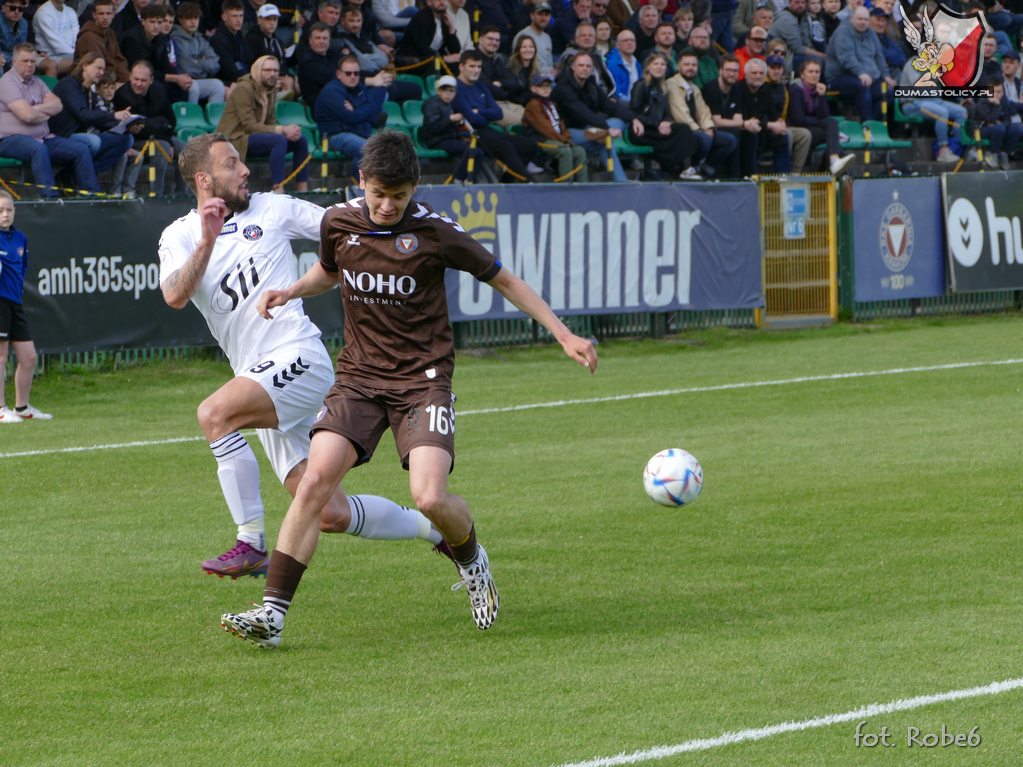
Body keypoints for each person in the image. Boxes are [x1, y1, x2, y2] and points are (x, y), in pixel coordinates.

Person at [220, 129, 598, 648]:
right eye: (378, 194)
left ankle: (471, 557)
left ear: (415, 188)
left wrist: (563, 333)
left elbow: (504, 280)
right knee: (314, 484)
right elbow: (330, 272)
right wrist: (291, 291)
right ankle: (273, 614)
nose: (386, 206)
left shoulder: (436, 232)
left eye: (398, 196)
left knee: (429, 497)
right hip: (358, 377)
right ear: (361, 182)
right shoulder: (339, 222)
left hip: (422, 382)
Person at [159, 133, 451, 580]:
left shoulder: (273, 209)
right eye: (232, 164)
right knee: (330, 513)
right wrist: (207, 239)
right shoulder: (179, 235)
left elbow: (352, 225)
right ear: (203, 179)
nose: (245, 170)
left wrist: (398, 220)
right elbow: (175, 294)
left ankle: (251, 540)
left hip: (296, 356)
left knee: (215, 414)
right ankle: (434, 529)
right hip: (258, 379)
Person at [0, 43, 100, 198]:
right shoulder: (7, 84)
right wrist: (42, 109)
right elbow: (27, 116)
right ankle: (50, 198)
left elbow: (58, 105)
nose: (29, 65)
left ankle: (92, 196)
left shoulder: (38, 82)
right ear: (14, 62)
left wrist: (35, 109)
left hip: (43, 138)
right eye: (25, 61)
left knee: (81, 150)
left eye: (33, 61)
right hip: (10, 140)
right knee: (38, 150)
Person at [219, 55, 309, 193]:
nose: (272, 74)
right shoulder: (244, 89)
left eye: (275, 70)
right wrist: (283, 130)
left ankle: (303, 190)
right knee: (278, 139)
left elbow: (271, 122)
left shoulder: (270, 90)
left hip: (256, 137)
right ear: (257, 70)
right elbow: (249, 126)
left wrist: (288, 132)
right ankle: (278, 188)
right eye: (267, 70)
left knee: (300, 140)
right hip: (237, 138)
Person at [0, 189, 50, 423]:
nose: (5, 214)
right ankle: (1, 409)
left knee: (28, 357)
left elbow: (23, 266)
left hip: (14, 302)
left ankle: (22, 407)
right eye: (0, 210)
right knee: (0, 357)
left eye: (9, 210)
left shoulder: (20, 238)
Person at [453, 49, 538, 181]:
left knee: (530, 146)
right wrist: (484, 114)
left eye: (479, 67)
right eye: (472, 66)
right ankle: (529, 181)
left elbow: (498, 113)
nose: (476, 70)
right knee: (504, 145)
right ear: (461, 66)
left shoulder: (480, 87)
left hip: (487, 130)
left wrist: (480, 111)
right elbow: (473, 120)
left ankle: (507, 183)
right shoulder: (456, 88)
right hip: (469, 134)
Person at [49, 53, 133, 181]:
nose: (101, 72)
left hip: (82, 137)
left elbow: (100, 120)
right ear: (85, 66)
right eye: (98, 68)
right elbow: (83, 115)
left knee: (127, 139)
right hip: (61, 136)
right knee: (94, 142)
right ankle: (76, 177)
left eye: (103, 69)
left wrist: (127, 125)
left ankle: (70, 173)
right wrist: (114, 115)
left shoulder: (90, 92)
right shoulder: (68, 84)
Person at [551, 51, 629, 181]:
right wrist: (607, 129)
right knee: (604, 138)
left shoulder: (591, 84)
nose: (585, 68)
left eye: (588, 66)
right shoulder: (563, 87)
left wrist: (634, 119)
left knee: (622, 122)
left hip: (591, 130)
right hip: (569, 132)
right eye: (581, 65)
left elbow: (608, 105)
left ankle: (620, 182)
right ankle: (622, 183)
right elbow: (583, 113)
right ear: (573, 67)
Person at [112, 60, 186, 196]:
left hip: (161, 136)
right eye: (136, 79)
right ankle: (156, 194)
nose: (138, 84)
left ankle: (182, 193)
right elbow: (141, 130)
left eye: (143, 80)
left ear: (151, 80)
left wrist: (158, 128)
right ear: (129, 77)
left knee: (187, 150)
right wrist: (160, 126)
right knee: (161, 146)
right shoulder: (123, 95)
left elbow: (171, 121)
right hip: (136, 140)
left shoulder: (158, 90)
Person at [667, 47, 739, 178]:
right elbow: (680, 114)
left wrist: (709, 128)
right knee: (704, 140)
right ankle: (689, 168)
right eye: (687, 64)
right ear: (678, 66)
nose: (691, 68)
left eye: (694, 65)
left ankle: (706, 171)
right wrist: (700, 130)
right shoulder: (672, 84)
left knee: (730, 140)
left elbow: (704, 111)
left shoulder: (694, 87)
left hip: (698, 131)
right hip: (681, 132)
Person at [313, 54, 385, 174]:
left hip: (360, 133)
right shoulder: (331, 92)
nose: (353, 77)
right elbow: (349, 118)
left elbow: (373, 115)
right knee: (367, 149)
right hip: (335, 136)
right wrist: (362, 110)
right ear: (338, 74)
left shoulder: (361, 88)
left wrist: (355, 108)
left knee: (390, 148)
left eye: (356, 73)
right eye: (348, 73)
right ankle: (359, 186)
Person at [629, 50, 695, 176]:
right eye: (656, 64)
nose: (659, 67)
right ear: (648, 66)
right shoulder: (641, 85)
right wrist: (656, 124)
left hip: (656, 127)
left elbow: (666, 112)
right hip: (642, 129)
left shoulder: (663, 87)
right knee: (674, 137)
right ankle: (673, 168)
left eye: (662, 64)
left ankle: (687, 169)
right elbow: (634, 112)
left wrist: (666, 122)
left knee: (684, 129)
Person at [420, 73, 495, 182]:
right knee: (471, 151)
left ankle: (470, 180)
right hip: (438, 140)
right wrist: (450, 118)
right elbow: (434, 129)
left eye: (451, 91)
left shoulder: (450, 104)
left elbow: (456, 125)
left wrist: (463, 136)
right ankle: (458, 179)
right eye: (444, 90)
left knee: (479, 152)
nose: (448, 93)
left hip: (449, 138)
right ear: (438, 91)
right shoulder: (432, 104)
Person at [824, 6, 894, 122]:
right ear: (852, 18)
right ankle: (867, 124)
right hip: (839, 78)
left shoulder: (871, 33)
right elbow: (846, 57)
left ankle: (874, 124)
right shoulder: (843, 32)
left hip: (867, 78)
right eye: (860, 19)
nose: (863, 22)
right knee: (862, 86)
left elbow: (879, 56)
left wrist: (886, 76)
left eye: (866, 20)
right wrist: (861, 73)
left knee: (890, 93)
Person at [787, 58, 854, 173]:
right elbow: (799, 119)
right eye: (811, 71)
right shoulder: (795, 90)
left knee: (832, 137)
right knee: (831, 125)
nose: (814, 75)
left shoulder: (818, 90)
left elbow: (824, 115)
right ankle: (833, 164)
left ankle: (832, 165)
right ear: (802, 74)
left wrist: (822, 96)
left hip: (812, 129)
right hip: (798, 130)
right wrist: (820, 121)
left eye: (817, 72)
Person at [522, 71, 589, 181]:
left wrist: (567, 139)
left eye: (548, 86)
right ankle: (566, 186)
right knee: (565, 151)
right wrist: (563, 141)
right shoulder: (533, 104)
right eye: (541, 86)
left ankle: (583, 185)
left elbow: (561, 123)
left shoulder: (550, 103)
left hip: (557, 139)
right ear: (533, 89)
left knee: (580, 151)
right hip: (540, 140)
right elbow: (545, 129)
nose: (546, 89)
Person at [741, 56, 791, 171]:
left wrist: (778, 123)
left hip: (762, 129)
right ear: (746, 75)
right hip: (744, 129)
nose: (758, 76)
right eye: (754, 73)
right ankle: (751, 179)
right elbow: (746, 118)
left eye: (761, 73)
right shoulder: (739, 89)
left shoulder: (766, 90)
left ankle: (783, 178)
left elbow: (772, 115)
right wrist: (770, 125)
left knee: (781, 134)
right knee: (752, 135)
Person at [764, 52, 812, 172]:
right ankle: (782, 173)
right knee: (786, 134)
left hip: (780, 123)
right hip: (765, 125)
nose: (776, 71)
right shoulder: (762, 85)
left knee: (804, 134)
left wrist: (781, 122)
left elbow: (784, 111)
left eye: (779, 68)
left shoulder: (782, 87)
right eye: (772, 68)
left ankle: (796, 172)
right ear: (766, 69)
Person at [172, 2, 226, 102]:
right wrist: (204, 67)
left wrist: (198, 62)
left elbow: (215, 62)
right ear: (180, 19)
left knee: (218, 85)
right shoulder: (176, 40)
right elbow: (187, 69)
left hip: (199, 80)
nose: (193, 22)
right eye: (189, 18)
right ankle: (191, 117)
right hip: (183, 83)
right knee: (194, 86)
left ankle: (215, 117)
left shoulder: (200, 39)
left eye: (196, 18)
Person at [393, 0, 461, 77]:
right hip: (413, 60)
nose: (442, 2)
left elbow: (455, 51)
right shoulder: (421, 18)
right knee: (433, 63)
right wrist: (444, 58)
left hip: (433, 58)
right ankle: (432, 88)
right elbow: (423, 48)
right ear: (429, 2)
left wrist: (451, 28)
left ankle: (453, 88)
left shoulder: (445, 19)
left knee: (457, 64)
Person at [967, 76, 1020, 169]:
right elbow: (991, 118)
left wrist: (1001, 124)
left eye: (999, 92)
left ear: (1003, 93)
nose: (995, 94)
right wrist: (997, 106)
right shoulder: (982, 103)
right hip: (979, 130)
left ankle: (1004, 153)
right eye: (993, 91)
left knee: (1018, 129)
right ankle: (993, 154)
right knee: (999, 128)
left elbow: (1008, 119)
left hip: (996, 129)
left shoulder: (1003, 103)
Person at [75, 0, 130, 84]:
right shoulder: (89, 37)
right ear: (94, 15)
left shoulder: (109, 33)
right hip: (92, 82)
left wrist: (128, 78)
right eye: (101, 14)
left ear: (113, 15)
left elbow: (119, 60)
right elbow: (96, 70)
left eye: (108, 14)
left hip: (109, 79)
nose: (105, 17)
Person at [211, 0, 255, 87]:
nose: (239, 20)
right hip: (226, 82)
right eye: (234, 16)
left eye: (241, 16)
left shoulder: (240, 37)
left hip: (242, 78)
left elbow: (251, 60)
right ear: (224, 17)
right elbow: (229, 70)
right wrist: (251, 78)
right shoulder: (218, 40)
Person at [31, 0, 76, 77]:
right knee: (80, 64)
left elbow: (76, 37)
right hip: (48, 55)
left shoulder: (71, 12)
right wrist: (78, 55)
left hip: (69, 53)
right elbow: (56, 45)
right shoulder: (44, 13)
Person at [512, 1, 554, 72]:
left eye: (546, 15)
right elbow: (518, 65)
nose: (543, 18)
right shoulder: (523, 36)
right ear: (532, 15)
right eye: (540, 14)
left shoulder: (547, 38)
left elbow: (550, 65)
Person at [606, 27, 642, 98]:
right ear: (617, 45)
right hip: (622, 105)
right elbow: (616, 93)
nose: (629, 43)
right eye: (625, 40)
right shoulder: (612, 64)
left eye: (632, 40)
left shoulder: (638, 64)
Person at [0, 0, 27, 74]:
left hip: (13, 59)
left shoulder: (24, 23)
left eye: (21, 9)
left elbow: (22, 49)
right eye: (12, 8)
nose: (17, 12)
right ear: (3, 8)